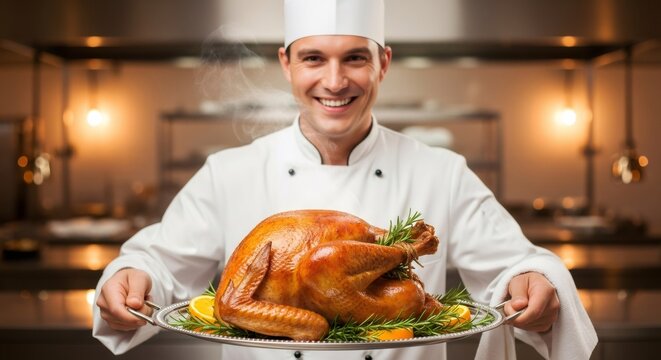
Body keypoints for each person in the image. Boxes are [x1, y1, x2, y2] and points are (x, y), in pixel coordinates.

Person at [94, 0, 597, 359]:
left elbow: (518, 262)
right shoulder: (229, 173)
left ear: (384, 63)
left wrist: (534, 281)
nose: (335, 81)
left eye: (355, 57)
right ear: (286, 65)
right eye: (314, 58)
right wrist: (130, 279)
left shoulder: (440, 171)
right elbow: (156, 263)